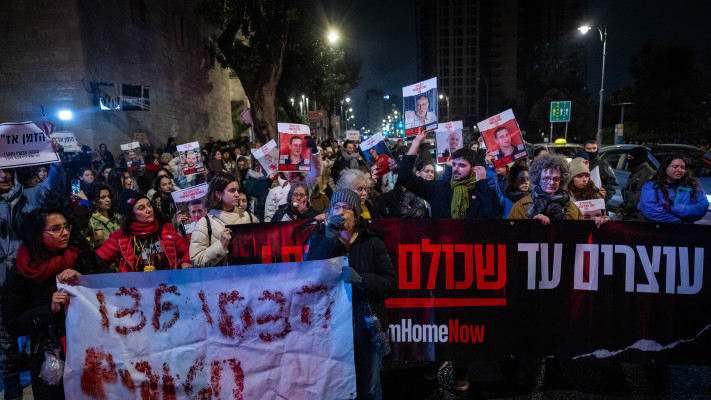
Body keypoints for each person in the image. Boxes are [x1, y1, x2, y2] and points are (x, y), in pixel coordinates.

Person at [2, 208, 107, 399]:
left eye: (66, 226)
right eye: (56, 229)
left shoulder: (80, 252)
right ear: (37, 234)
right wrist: (47, 310)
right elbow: (12, 322)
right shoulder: (22, 270)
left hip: (92, 344)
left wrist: (85, 282)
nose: (65, 232)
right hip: (49, 352)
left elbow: (110, 284)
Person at [306, 189, 397, 400]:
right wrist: (328, 239)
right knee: (336, 388)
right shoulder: (321, 236)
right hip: (332, 329)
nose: (341, 212)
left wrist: (362, 279)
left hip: (365, 328)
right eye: (336, 208)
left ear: (356, 214)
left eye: (346, 208)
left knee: (369, 389)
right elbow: (309, 278)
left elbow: (391, 285)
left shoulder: (372, 242)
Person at [0, 147, 64, 400]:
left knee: (40, 344)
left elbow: (52, 188)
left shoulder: (30, 196)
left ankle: (46, 389)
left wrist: (56, 163)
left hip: (32, 283)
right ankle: (13, 392)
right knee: (5, 348)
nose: (3, 176)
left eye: (5, 170)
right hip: (3, 286)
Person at [398, 131, 500, 219]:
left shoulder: (481, 190)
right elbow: (405, 178)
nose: (456, 168)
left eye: (462, 165)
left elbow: (493, 216)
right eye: (454, 164)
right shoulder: (439, 188)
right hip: (443, 241)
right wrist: (416, 143)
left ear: (473, 169)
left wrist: (482, 184)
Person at [96, 190, 192, 272]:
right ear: (132, 215)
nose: (149, 210)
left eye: (149, 205)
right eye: (141, 208)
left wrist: (185, 262)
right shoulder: (120, 237)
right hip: (135, 290)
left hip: (168, 287)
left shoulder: (168, 231)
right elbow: (96, 262)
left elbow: (188, 250)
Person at [189, 173, 253, 268]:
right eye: (232, 191)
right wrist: (221, 245)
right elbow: (198, 261)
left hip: (248, 277)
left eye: (237, 190)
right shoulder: (205, 224)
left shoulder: (248, 217)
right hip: (220, 280)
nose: (237, 195)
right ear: (218, 194)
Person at [507, 154, 586, 224]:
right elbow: (511, 234)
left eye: (556, 179)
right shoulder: (521, 206)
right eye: (546, 179)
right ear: (538, 179)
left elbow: (581, 234)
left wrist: (595, 224)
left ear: (561, 180)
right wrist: (533, 225)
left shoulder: (570, 206)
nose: (551, 183)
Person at [638, 154, 709, 223]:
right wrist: (680, 221)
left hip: (685, 231)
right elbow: (650, 210)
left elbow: (701, 208)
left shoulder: (692, 186)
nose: (679, 170)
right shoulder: (651, 186)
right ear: (665, 168)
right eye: (675, 167)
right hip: (658, 230)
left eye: (683, 167)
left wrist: (673, 209)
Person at [619, 147, 656, 221]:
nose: (628, 160)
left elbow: (642, 194)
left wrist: (628, 206)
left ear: (638, 158)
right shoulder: (635, 172)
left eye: (630, 157)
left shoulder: (648, 174)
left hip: (640, 215)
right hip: (633, 214)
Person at [82, 183, 121, 251]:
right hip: (102, 259)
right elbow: (81, 242)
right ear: (94, 201)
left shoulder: (117, 217)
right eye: (103, 197)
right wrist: (92, 239)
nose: (108, 200)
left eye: (109, 196)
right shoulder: (90, 220)